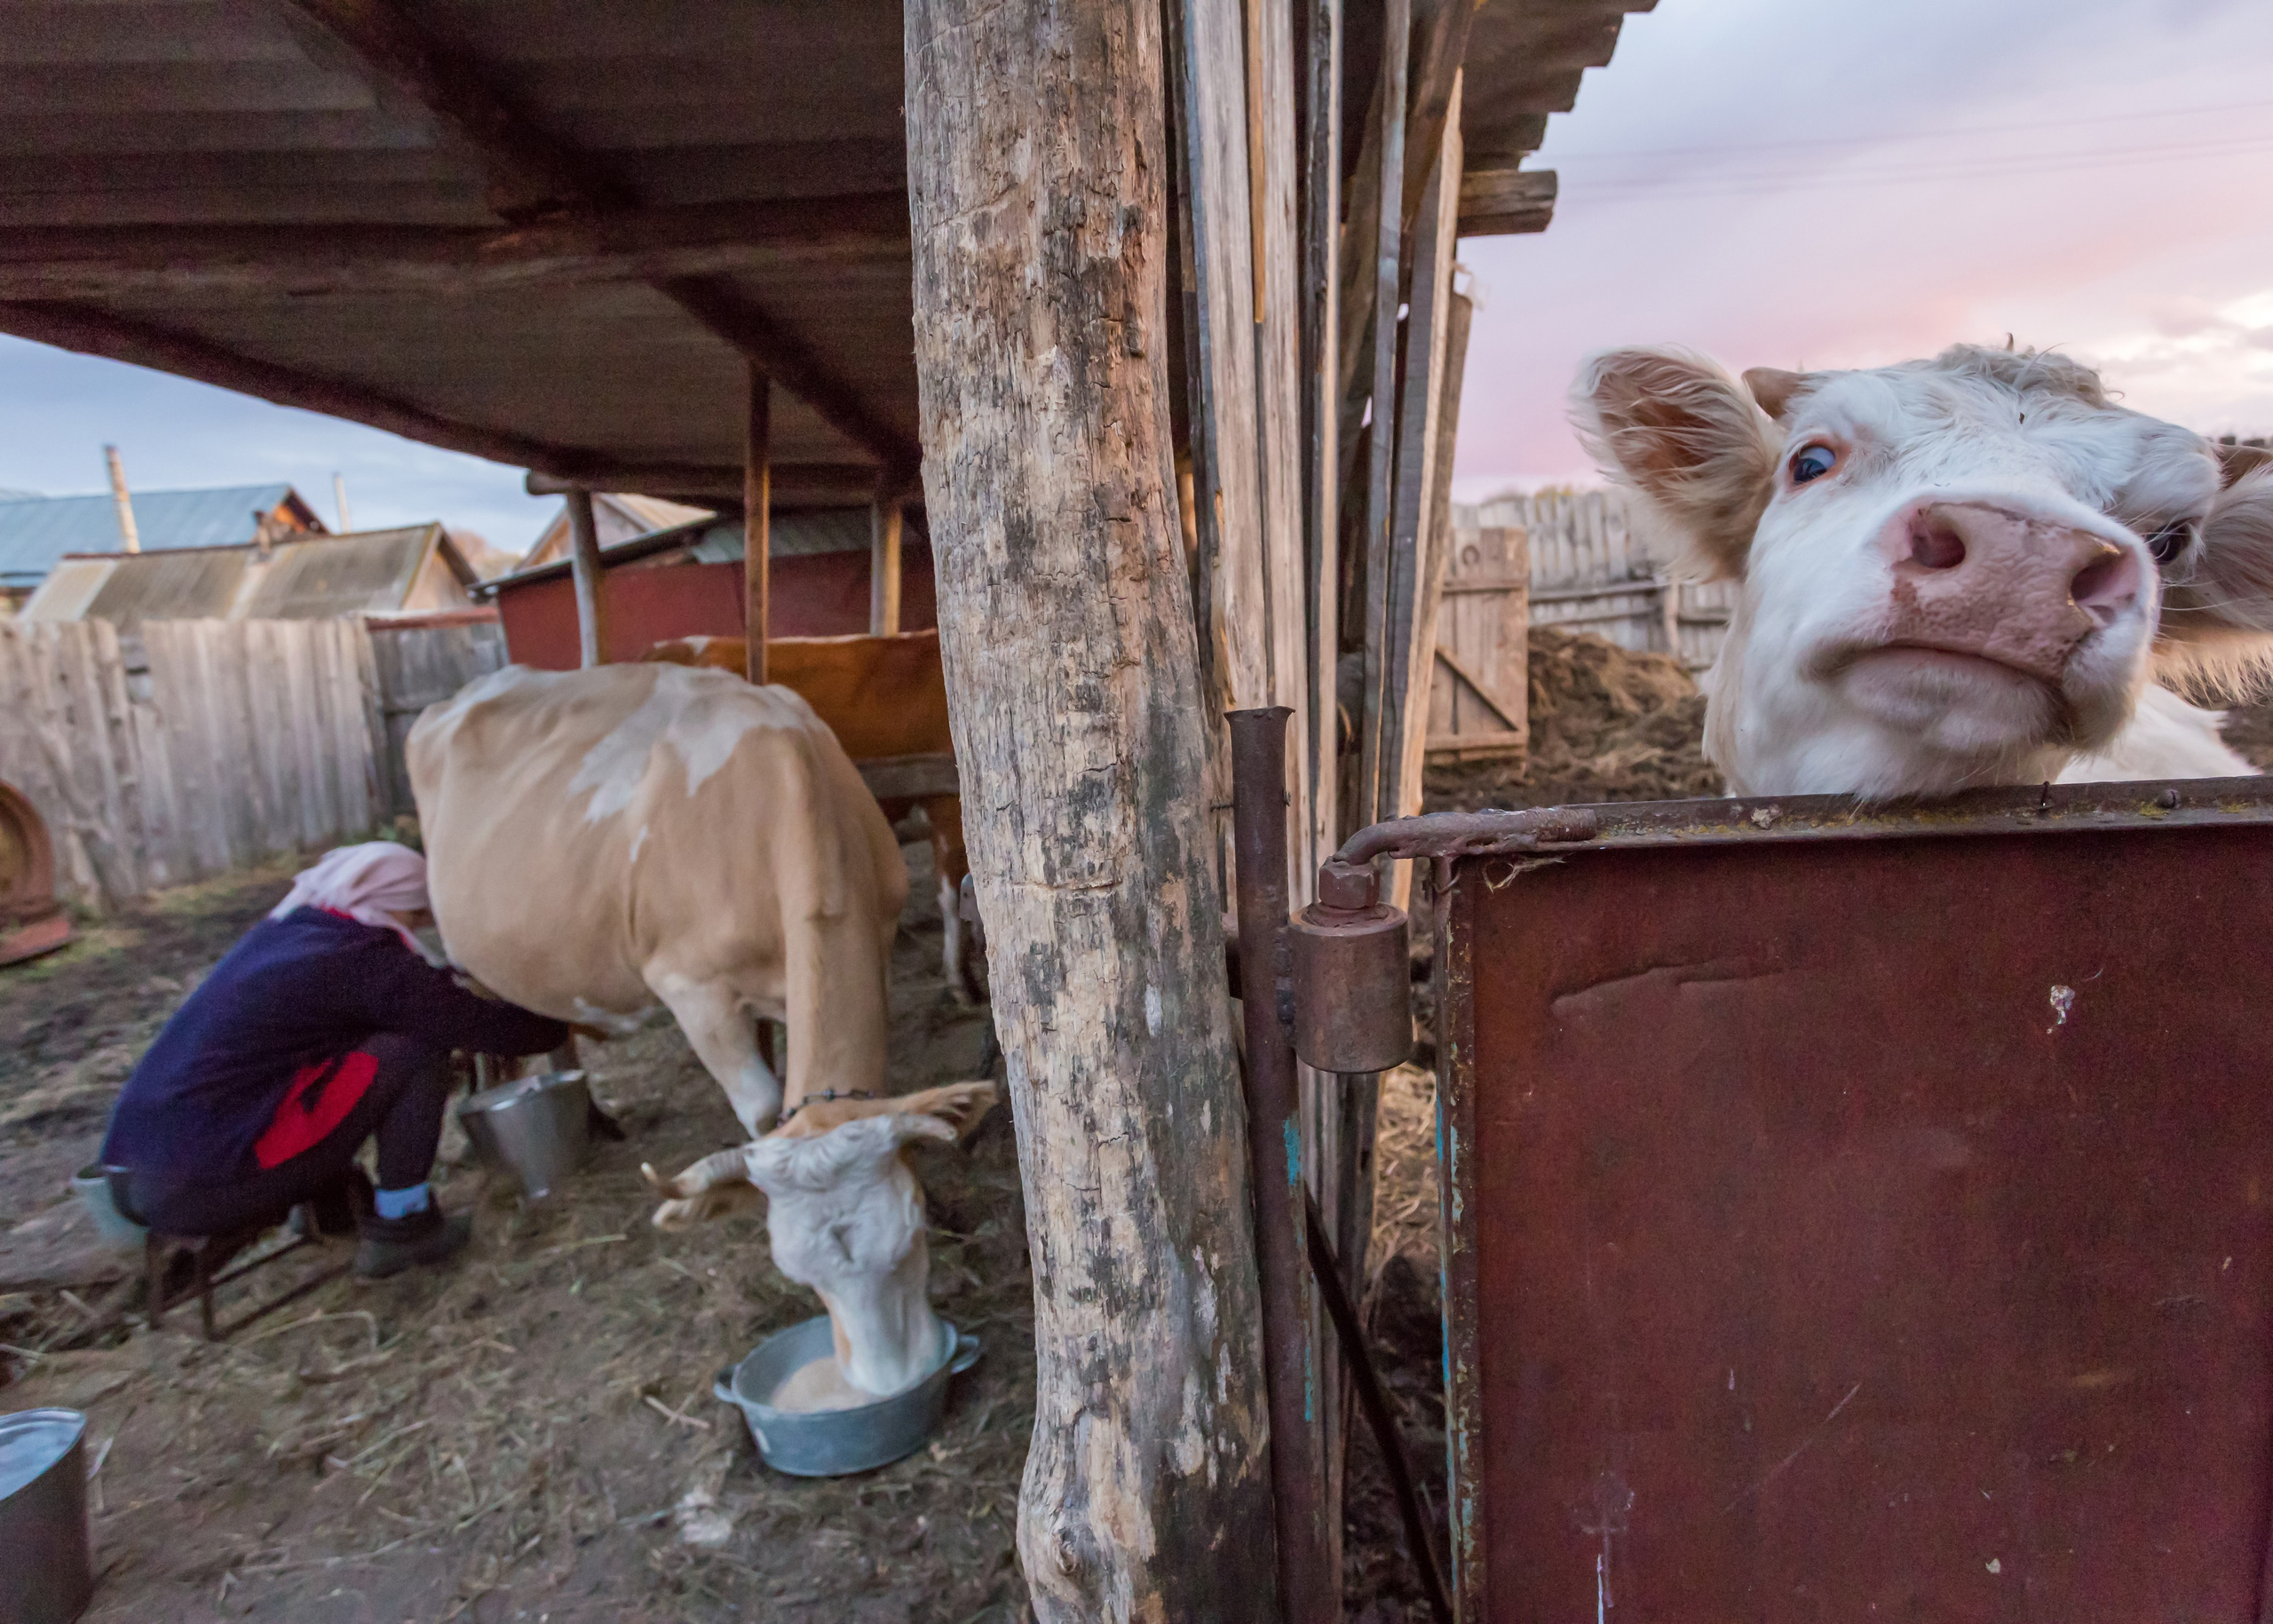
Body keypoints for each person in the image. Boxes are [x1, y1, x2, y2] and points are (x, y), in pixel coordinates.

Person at [100, 842, 570, 1278]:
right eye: (417, 906)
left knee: (325, 1061)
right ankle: (403, 1226)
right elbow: (493, 1030)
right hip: (208, 1187)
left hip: (137, 1177)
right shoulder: (362, 959)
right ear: (393, 901)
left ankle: (331, 1207)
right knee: (411, 1050)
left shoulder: (293, 932)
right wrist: (569, 1009)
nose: (424, 919)